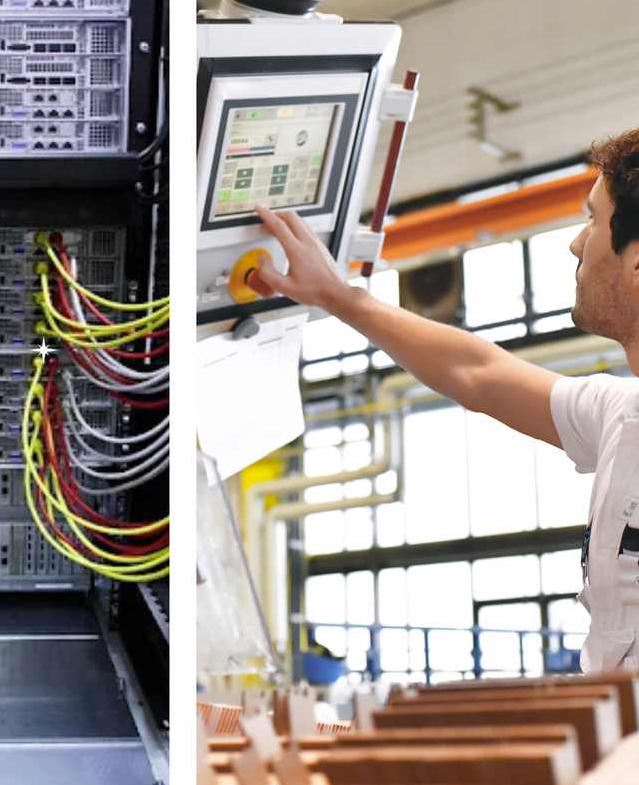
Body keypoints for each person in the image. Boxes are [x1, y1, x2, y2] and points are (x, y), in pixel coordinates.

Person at [248, 128, 639, 672]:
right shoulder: (622, 415)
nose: (577, 242)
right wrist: (338, 296)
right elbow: (478, 372)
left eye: (593, 219)